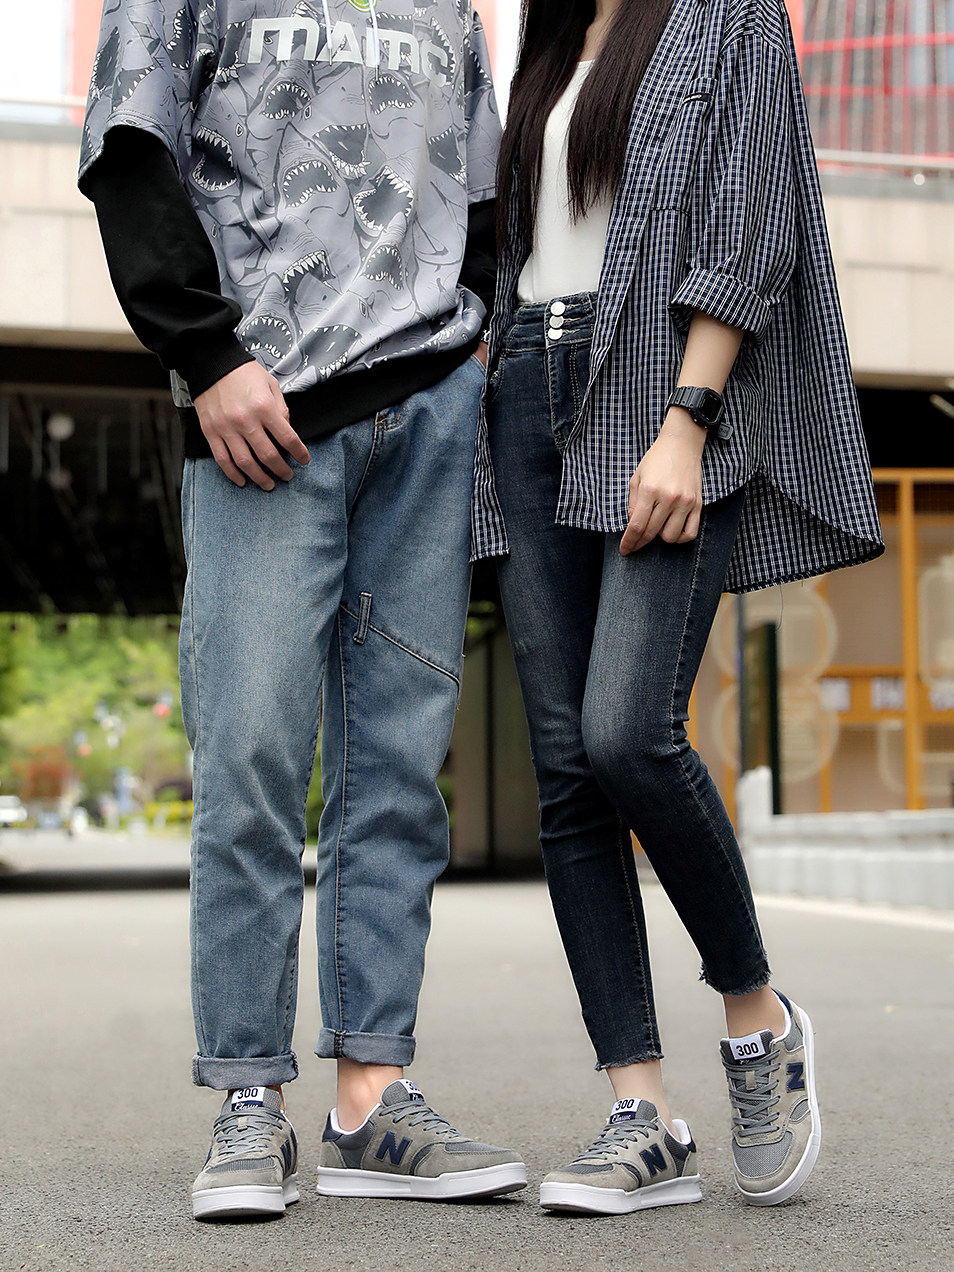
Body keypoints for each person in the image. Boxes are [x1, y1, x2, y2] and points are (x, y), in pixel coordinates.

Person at [79, 0, 527, 1219]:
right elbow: (129, 151)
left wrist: (470, 346)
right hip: (259, 415)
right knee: (252, 763)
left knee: (398, 771)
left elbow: (484, 192)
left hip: (428, 410)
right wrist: (206, 357)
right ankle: (246, 1099)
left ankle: (372, 1099)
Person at [474, 0, 884, 1216]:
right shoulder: (546, 36)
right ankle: (639, 1114)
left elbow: (754, 225)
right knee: (565, 772)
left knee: (626, 732)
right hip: (527, 383)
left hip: (657, 383)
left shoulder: (726, 16)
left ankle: (757, 1016)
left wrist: (689, 424)